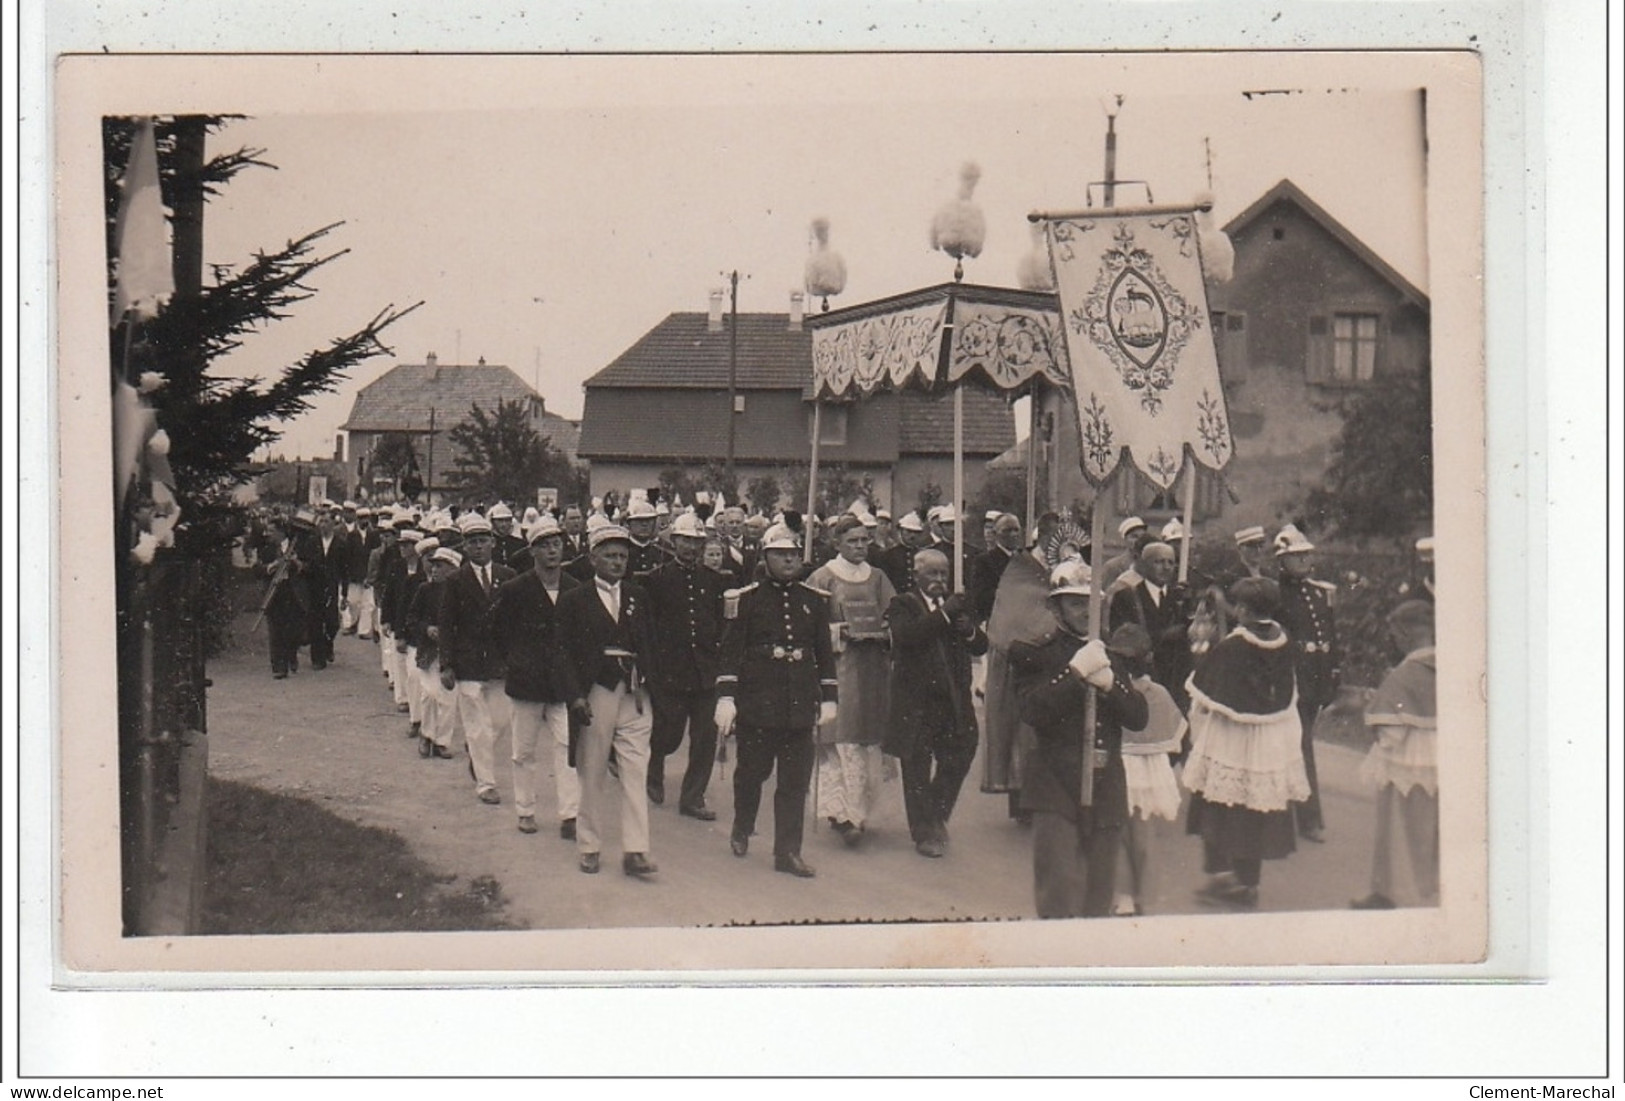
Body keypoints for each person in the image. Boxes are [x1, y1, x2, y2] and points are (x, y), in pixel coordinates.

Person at [1015, 560, 1150, 917]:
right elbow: (1032, 710)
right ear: (1056, 608)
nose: (1084, 611)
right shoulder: (1035, 653)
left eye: (1090, 602)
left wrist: (1111, 684)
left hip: (1106, 782)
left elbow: (1138, 717)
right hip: (1055, 779)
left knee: (1100, 890)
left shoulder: (1110, 655)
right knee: (1057, 887)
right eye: (1074, 602)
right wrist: (1074, 673)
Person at [713, 522, 837, 876]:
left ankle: (787, 853)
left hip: (799, 703)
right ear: (766, 557)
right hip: (758, 702)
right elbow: (730, 653)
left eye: (794, 554)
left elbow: (824, 654)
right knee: (752, 774)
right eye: (781, 554)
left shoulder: (814, 602)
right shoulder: (747, 599)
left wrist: (829, 697)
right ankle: (742, 826)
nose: (788, 559)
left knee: (794, 783)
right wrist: (726, 698)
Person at [1181, 577, 1311, 909]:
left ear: (1241, 609)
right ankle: (1248, 882)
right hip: (1267, 741)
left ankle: (1224, 878)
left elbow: (1204, 692)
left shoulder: (1232, 646)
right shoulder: (1283, 640)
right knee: (1253, 810)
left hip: (1230, 739)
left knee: (1219, 804)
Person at [554, 523, 661, 876]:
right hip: (596, 691)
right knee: (593, 769)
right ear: (592, 558)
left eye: (623, 556)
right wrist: (574, 696)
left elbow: (650, 642)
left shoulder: (639, 595)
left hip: (634, 692)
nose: (618, 562)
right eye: (610, 555)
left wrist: (650, 682)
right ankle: (589, 845)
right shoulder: (574, 598)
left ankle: (636, 850)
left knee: (635, 770)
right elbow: (563, 652)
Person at [882, 548, 988, 858]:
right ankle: (924, 831)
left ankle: (936, 812)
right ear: (917, 575)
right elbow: (907, 637)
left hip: (953, 699)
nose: (940, 580)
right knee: (916, 767)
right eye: (933, 573)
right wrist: (944, 615)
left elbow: (981, 645)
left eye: (944, 573)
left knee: (963, 751)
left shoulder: (958, 605)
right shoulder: (903, 604)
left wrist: (968, 629)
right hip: (916, 702)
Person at [489, 514, 582, 837]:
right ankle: (525, 809)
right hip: (527, 683)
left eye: (556, 544)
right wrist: (514, 660)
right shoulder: (515, 589)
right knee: (523, 751)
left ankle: (570, 815)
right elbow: (498, 630)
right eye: (544, 546)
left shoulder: (574, 588)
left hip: (563, 686)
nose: (552, 552)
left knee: (568, 747)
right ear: (533, 551)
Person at [806, 514, 896, 845]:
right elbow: (810, 626)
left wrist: (884, 630)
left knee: (866, 740)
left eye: (864, 540)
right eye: (853, 541)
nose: (860, 546)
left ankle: (859, 811)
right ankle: (843, 814)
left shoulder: (878, 577)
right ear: (837, 544)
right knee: (840, 739)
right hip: (839, 667)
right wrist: (840, 632)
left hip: (872, 667)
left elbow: (893, 615)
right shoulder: (823, 577)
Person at [1351, 600, 1438, 909]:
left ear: (1405, 633)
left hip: (1405, 762)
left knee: (1401, 828)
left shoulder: (1405, 675)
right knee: (1432, 829)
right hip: (1438, 760)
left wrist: (1368, 710)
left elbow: (1391, 735)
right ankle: (1429, 888)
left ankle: (1393, 892)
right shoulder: (1448, 667)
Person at [643, 512, 727, 820]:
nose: (691, 547)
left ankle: (693, 797)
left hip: (705, 671)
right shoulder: (657, 579)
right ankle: (653, 773)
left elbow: (720, 624)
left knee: (704, 738)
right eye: (685, 541)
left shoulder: (715, 580)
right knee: (667, 734)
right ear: (673, 541)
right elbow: (649, 628)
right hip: (670, 671)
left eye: (697, 541)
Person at [438, 512, 517, 806]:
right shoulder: (456, 580)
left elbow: (515, 620)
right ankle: (486, 783)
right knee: (476, 724)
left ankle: (477, 754)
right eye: (472, 542)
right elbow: (446, 623)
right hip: (467, 661)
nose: (478, 547)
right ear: (464, 546)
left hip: (499, 663)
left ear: (493, 543)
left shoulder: (508, 577)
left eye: (483, 541)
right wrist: (446, 664)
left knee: (500, 721)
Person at [1108, 623, 1187, 916]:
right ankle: (1140, 893)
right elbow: (1177, 736)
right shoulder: (1157, 693)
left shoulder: (1119, 690)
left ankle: (1128, 894)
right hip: (1143, 771)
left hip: (1132, 769)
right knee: (1139, 834)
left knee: (1124, 834)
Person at [1274, 523, 1340, 843]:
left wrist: (1332, 675)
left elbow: (1330, 637)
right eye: (1295, 556)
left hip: (1314, 680)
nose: (1303, 561)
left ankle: (1297, 815)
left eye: (1305, 555)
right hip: (1289, 681)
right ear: (1281, 561)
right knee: (1299, 747)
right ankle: (1305, 818)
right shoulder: (1276, 594)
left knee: (1300, 745)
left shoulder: (1318, 592)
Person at [1108, 540, 1193, 713]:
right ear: (1145, 565)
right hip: (1143, 680)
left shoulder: (1180, 598)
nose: (1166, 567)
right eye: (1159, 562)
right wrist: (1162, 636)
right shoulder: (1127, 597)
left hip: (1176, 682)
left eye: (1170, 562)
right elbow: (1121, 641)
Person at [258, 516, 310, 679]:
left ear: (281, 532)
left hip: (292, 592)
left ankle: (291, 656)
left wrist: (296, 563)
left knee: (293, 630)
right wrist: (269, 567)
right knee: (275, 630)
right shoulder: (266, 548)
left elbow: (310, 566)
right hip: (274, 592)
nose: (267, 534)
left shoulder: (299, 545)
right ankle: (279, 667)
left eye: (271, 531)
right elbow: (256, 568)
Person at [300, 506, 348, 670]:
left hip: (332, 587)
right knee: (315, 622)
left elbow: (344, 569)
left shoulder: (340, 544)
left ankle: (328, 644)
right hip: (315, 586)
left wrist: (345, 593)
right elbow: (306, 563)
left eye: (326, 521)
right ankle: (317, 658)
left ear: (333, 524)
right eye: (321, 522)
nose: (323, 525)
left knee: (332, 622)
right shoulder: (312, 542)